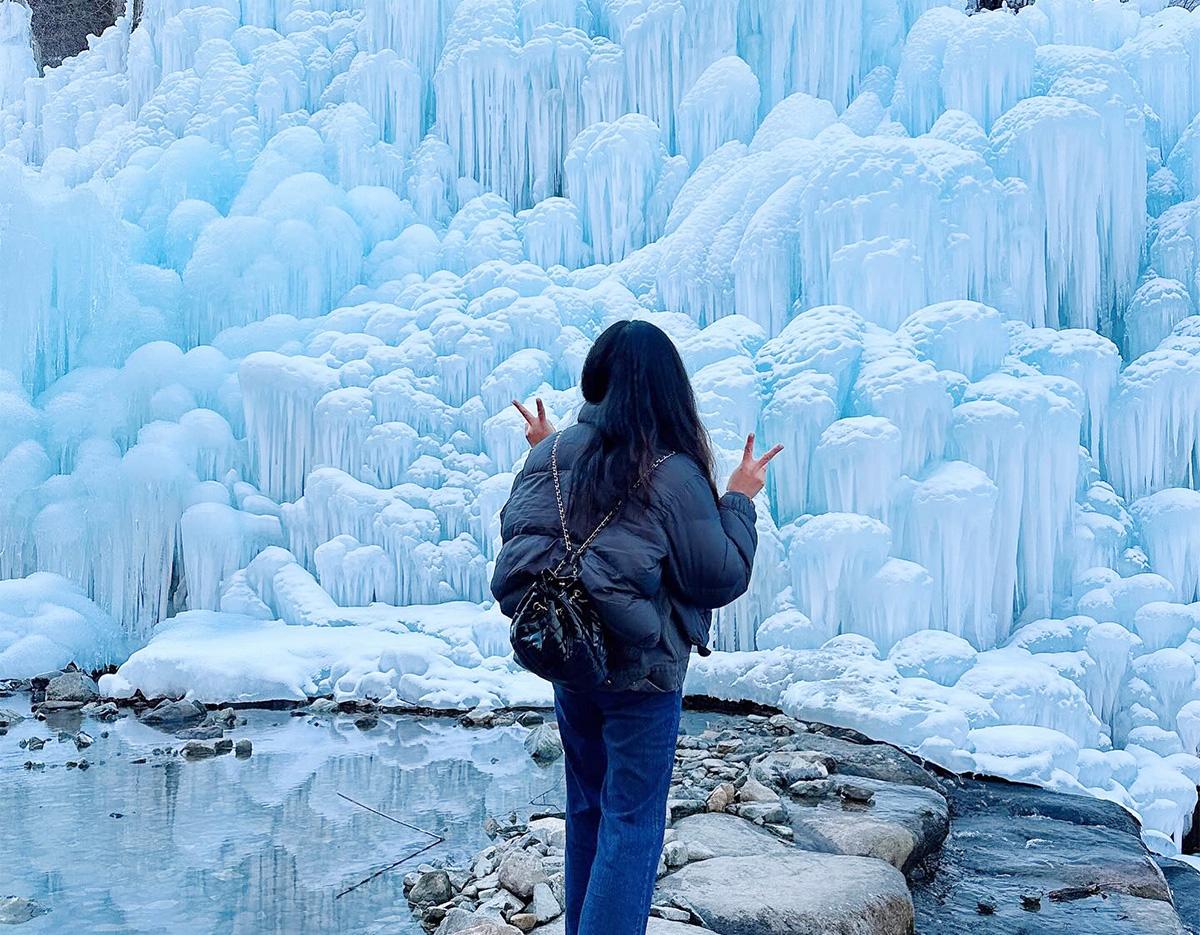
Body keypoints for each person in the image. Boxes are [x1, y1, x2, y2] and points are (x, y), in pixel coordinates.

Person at [490, 319, 782, 935]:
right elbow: (718, 577)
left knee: (588, 807)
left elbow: (522, 536)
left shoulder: (550, 453)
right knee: (632, 820)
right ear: (669, 391)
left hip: (570, 657)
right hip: (641, 673)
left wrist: (547, 447)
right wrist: (739, 497)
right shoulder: (673, 471)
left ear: (594, 381)